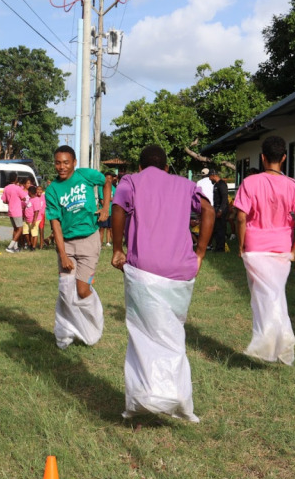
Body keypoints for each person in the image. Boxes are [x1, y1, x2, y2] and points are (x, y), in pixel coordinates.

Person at [111, 144, 214, 422]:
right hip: (181, 271)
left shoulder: (130, 181)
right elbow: (209, 211)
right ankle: (176, 397)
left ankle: (147, 397)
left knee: (145, 335)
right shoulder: (185, 184)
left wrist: (117, 249)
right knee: (172, 334)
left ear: (141, 167)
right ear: (167, 167)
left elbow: (118, 208)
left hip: (145, 268)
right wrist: (201, 251)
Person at [234, 136, 295, 366]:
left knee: (263, 297)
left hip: (255, 247)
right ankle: (278, 343)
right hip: (282, 249)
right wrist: (294, 249)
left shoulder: (250, 183)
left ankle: (270, 342)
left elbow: (240, 216)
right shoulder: (294, 186)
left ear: (263, 157)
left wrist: (240, 244)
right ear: (284, 158)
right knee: (275, 295)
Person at [45, 145, 111, 349]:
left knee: (82, 290)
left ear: (74, 162)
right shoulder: (52, 189)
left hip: (89, 241)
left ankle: (93, 327)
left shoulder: (85, 175)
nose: (61, 166)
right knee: (66, 291)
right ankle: (65, 333)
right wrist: (62, 253)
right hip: (67, 244)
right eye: (58, 162)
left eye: (66, 162)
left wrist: (106, 206)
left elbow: (107, 182)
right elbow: (55, 223)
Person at [2, 172, 28, 253]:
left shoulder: (6, 188)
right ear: (16, 178)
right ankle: (10, 247)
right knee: (20, 229)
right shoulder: (17, 188)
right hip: (17, 211)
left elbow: (4, 201)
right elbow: (24, 198)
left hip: (10, 211)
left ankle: (15, 247)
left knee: (15, 229)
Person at [208, 169, 229, 252]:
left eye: (210, 177)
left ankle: (221, 248)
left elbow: (224, 198)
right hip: (216, 208)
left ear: (213, 175)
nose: (209, 179)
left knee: (221, 229)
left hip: (221, 209)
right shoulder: (215, 185)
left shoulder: (222, 184)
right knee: (216, 228)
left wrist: (220, 210)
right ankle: (218, 246)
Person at [98, 171, 117, 246]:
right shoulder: (101, 187)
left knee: (110, 228)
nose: (108, 180)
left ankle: (110, 242)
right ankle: (100, 244)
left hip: (111, 212)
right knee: (102, 229)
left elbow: (116, 199)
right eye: (107, 178)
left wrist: (108, 198)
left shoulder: (114, 188)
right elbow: (102, 201)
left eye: (110, 178)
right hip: (103, 211)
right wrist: (110, 198)